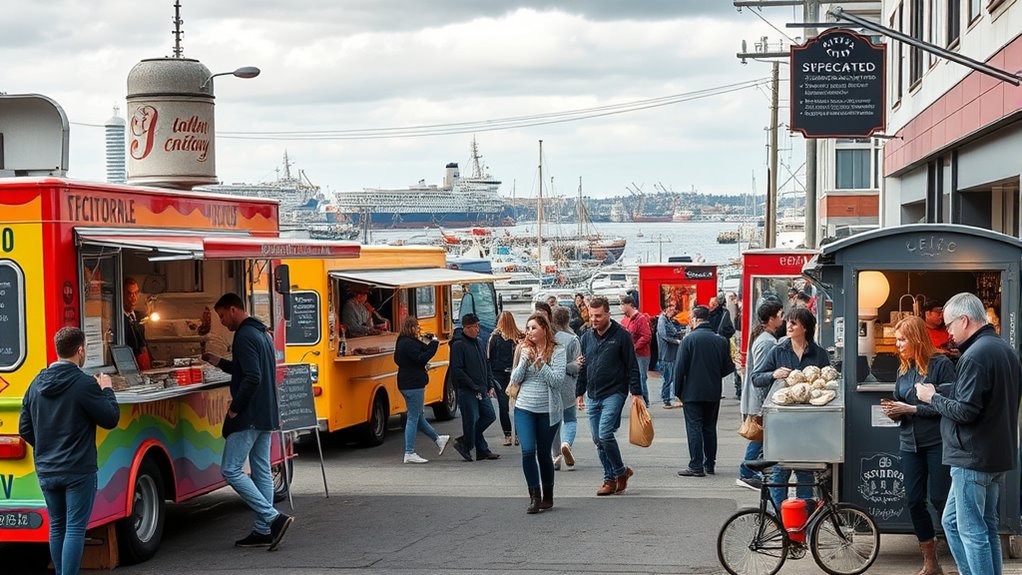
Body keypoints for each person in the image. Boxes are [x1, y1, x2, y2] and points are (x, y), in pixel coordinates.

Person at [916, 292, 1021, 575]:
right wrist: (942, 392)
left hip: (971, 457)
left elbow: (966, 411)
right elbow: (981, 397)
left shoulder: (974, 355)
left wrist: (931, 398)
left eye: (950, 325)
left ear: (964, 320)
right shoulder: (1003, 349)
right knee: (967, 524)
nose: (948, 332)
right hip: (994, 454)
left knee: (973, 532)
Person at [19, 326, 120, 575]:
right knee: (75, 529)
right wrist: (107, 388)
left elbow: (24, 428)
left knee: (57, 526)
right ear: (81, 350)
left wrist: (46, 447)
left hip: (47, 468)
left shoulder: (35, 383)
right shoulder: (84, 384)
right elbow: (110, 418)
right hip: (78, 469)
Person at [202, 293, 294, 550]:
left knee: (230, 469)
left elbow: (251, 377)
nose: (222, 322)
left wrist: (234, 409)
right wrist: (220, 363)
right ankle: (264, 529)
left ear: (233, 310)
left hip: (250, 414)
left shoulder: (243, 336)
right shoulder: (261, 332)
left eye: (222, 316)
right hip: (266, 413)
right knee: (261, 469)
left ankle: (272, 518)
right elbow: (250, 370)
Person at [881, 316, 954, 575]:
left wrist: (910, 408)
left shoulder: (941, 364)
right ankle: (931, 562)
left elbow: (949, 406)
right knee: (913, 500)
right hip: (909, 443)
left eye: (902, 339)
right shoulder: (904, 368)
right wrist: (895, 411)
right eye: (897, 340)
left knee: (941, 499)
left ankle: (961, 558)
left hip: (937, 442)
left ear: (917, 338)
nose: (898, 344)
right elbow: (902, 400)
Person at [752, 306, 831, 510]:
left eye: (794, 323)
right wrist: (773, 374)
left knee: (805, 471)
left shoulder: (819, 353)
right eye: (788, 322)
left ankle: (802, 524)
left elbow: (829, 382)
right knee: (780, 472)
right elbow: (756, 378)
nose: (788, 326)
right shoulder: (778, 350)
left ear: (804, 327)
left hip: (808, 422)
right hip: (781, 421)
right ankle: (780, 518)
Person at [576, 296, 644, 496]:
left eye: (598, 316)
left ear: (608, 314)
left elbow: (632, 365)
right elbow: (583, 366)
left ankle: (611, 477)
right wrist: (579, 392)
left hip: (615, 391)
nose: (594, 319)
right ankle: (617, 474)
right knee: (598, 439)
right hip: (593, 394)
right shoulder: (586, 337)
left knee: (605, 434)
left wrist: (636, 393)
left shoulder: (621, 335)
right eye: (591, 315)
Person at [511, 313, 567, 513]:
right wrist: (525, 361)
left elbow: (557, 381)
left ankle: (548, 496)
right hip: (525, 407)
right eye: (528, 328)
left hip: (548, 410)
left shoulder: (558, 351)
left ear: (544, 328)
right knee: (528, 451)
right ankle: (534, 497)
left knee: (544, 453)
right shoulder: (523, 348)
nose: (529, 332)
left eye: (533, 327)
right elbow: (515, 379)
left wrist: (541, 364)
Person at [674, 305, 735, 478]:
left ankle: (696, 465)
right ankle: (710, 464)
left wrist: (678, 391)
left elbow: (680, 368)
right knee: (709, 427)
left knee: (694, 427)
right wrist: (714, 376)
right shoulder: (720, 340)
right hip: (713, 390)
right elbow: (728, 367)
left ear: (694, 319)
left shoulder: (689, 340)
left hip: (692, 391)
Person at [737, 299, 784, 490]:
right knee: (759, 437)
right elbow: (761, 375)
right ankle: (746, 471)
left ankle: (749, 469)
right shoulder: (767, 342)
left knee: (761, 437)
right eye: (780, 315)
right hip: (761, 399)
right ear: (771, 319)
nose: (783, 319)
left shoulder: (764, 337)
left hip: (759, 399)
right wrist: (766, 402)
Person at [393, 317, 449, 464]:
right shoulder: (409, 343)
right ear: (411, 327)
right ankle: (409, 452)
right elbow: (422, 357)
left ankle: (438, 439)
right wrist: (434, 344)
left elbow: (417, 351)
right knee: (413, 417)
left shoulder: (401, 342)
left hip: (405, 382)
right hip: (414, 384)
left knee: (418, 416)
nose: (418, 330)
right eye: (416, 327)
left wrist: (426, 341)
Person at [450, 313, 499, 462]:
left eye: (478, 325)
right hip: (467, 390)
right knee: (471, 420)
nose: (478, 329)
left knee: (489, 415)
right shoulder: (458, 345)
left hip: (481, 388)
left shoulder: (479, 342)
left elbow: (486, 364)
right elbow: (457, 370)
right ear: (467, 328)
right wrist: (473, 385)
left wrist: (489, 383)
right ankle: (478, 448)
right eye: (475, 326)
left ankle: (466, 442)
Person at [550, 306, 581, 470]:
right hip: (567, 384)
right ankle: (566, 443)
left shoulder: (548, 338)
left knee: (554, 420)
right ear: (568, 320)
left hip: (550, 386)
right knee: (570, 418)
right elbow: (578, 365)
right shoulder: (573, 339)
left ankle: (555, 456)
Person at [488, 311, 522, 446]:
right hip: (513, 373)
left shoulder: (494, 337)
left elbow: (489, 358)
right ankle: (518, 435)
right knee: (518, 406)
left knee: (504, 406)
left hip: (499, 374)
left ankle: (507, 435)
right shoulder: (518, 337)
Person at [620, 295, 652, 407]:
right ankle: (638, 400)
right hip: (629, 353)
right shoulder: (625, 319)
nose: (621, 307)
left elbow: (646, 335)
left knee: (641, 377)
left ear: (630, 305)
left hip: (641, 354)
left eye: (623, 304)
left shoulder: (641, 318)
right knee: (631, 376)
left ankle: (644, 402)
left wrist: (635, 346)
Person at [656, 301, 684, 409]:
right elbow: (663, 335)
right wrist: (676, 341)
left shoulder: (668, 320)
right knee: (668, 378)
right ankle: (666, 399)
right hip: (666, 353)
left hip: (671, 352)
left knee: (672, 377)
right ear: (667, 309)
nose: (674, 312)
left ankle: (671, 398)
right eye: (673, 310)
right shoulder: (662, 320)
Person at [123, 277, 150, 370]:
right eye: (130, 294)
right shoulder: (119, 320)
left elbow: (143, 342)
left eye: (136, 293)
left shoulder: (140, 316)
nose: (134, 298)